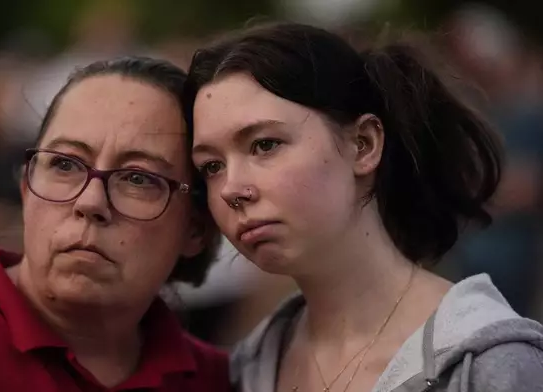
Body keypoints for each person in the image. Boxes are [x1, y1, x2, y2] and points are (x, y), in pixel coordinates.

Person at [184, 22, 543, 392]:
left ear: (363, 144)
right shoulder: (249, 367)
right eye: (211, 166)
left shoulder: (492, 367)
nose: (230, 189)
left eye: (264, 145)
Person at [0, 56, 230, 392]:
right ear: (26, 188)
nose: (90, 203)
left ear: (196, 228)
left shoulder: (219, 379)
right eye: (65, 164)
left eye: (137, 178)